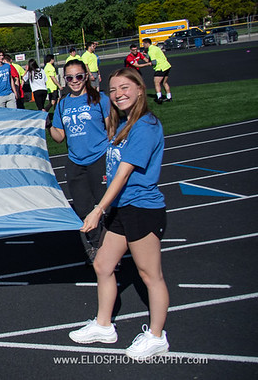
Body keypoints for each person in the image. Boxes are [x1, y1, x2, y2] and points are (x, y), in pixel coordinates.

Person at [69, 67, 169, 360]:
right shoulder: (125, 124)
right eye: (112, 90)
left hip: (141, 207)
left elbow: (124, 174)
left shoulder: (145, 126)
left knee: (150, 275)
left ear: (140, 89)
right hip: (122, 208)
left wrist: (98, 210)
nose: (118, 94)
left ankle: (156, 336)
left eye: (125, 88)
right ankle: (103, 326)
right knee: (102, 265)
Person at [48, 59, 110, 263]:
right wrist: (48, 124)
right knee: (83, 209)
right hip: (76, 162)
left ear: (87, 76)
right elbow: (59, 137)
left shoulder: (100, 99)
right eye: (69, 77)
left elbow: (111, 130)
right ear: (64, 80)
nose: (74, 81)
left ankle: (111, 250)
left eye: (79, 76)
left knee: (104, 207)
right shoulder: (63, 103)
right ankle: (97, 246)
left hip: (99, 158)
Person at [142, 38, 172, 103]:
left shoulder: (151, 51)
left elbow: (154, 62)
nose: (143, 45)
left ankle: (159, 97)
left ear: (147, 43)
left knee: (156, 82)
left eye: (143, 44)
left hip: (160, 67)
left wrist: (147, 64)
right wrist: (146, 55)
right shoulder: (156, 48)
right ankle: (169, 97)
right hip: (166, 66)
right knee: (164, 82)